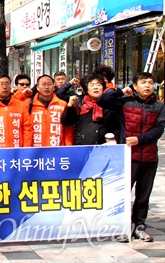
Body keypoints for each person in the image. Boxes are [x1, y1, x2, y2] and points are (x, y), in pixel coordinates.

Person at [98, 72, 165, 242]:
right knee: (123, 194)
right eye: (143, 82)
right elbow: (102, 101)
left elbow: (159, 129)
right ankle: (122, 227)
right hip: (127, 156)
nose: (148, 86)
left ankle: (139, 227)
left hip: (149, 157)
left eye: (151, 82)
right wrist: (121, 91)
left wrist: (139, 139)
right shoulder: (124, 102)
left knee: (143, 196)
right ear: (135, 86)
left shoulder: (159, 106)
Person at [61, 74, 121, 145]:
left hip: (104, 149)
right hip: (83, 149)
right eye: (92, 85)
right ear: (86, 89)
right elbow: (66, 122)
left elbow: (117, 127)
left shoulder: (110, 105)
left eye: (98, 85)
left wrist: (114, 140)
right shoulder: (80, 104)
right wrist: (70, 105)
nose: (95, 87)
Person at [28, 75, 74, 146]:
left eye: (49, 84)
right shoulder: (29, 104)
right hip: (35, 151)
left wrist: (68, 147)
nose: (46, 87)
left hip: (56, 150)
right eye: (43, 84)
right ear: (37, 87)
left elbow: (68, 129)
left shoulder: (62, 104)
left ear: (53, 87)